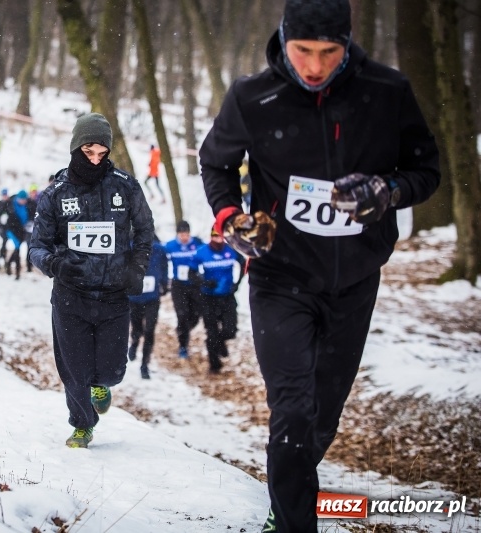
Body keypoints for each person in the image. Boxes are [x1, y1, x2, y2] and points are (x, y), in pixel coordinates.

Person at [198, 0, 440, 530]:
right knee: (292, 408)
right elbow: (215, 162)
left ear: (347, 45)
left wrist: (389, 189)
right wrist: (231, 216)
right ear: (283, 38)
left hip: (355, 280)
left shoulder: (387, 92)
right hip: (278, 274)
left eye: (328, 52)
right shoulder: (253, 97)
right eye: (302, 51)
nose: (313, 66)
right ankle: (291, 522)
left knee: (322, 415)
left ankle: (289, 493)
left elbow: (427, 170)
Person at [29, 113, 154, 448]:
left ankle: (104, 383)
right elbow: (36, 247)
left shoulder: (125, 186)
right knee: (74, 370)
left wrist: (138, 268)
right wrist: (54, 264)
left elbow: (145, 231)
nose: (95, 158)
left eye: (102, 152)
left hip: (114, 296)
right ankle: (82, 425)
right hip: (71, 297)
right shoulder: (56, 192)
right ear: (75, 148)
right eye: (88, 151)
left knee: (113, 370)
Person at [190, 225, 245, 374]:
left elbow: (243, 262)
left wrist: (237, 283)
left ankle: (221, 342)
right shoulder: (202, 252)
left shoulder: (231, 250)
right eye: (215, 237)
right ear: (211, 237)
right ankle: (214, 364)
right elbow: (191, 273)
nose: (218, 240)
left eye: (220, 237)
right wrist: (204, 281)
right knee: (212, 332)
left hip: (227, 296)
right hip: (209, 298)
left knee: (231, 330)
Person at [127, 233, 168, 380]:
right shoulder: (129, 247)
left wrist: (164, 282)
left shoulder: (158, 249)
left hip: (152, 298)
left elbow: (164, 265)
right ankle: (135, 342)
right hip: (135, 298)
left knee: (150, 330)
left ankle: (145, 365)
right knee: (137, 329)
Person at [164, 220, 204, 359]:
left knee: (196, 315)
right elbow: (159, 257)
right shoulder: (170, 246)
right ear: (177, 234)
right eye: (181, 234)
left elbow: (208, 252)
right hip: (178, 285)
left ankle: (184, 330)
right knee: (182, 315)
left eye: (186, 234)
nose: (184, 237)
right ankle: (183, 346)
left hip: (195, 285)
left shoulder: (197, 244)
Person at [1, 190, 33, 280]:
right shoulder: (11, 205)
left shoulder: (27, 205)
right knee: (17, 248)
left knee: (17, 248)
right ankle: (17, 273)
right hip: (11, 230)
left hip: (21, 230)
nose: (23, 201)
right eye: (21, 199)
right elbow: (4, 215)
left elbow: (29, 216)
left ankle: (8, 264)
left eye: (24, 200)